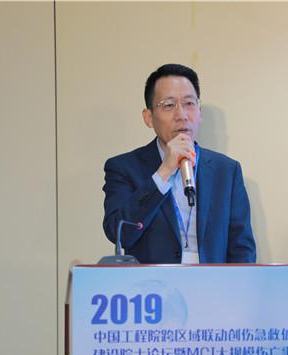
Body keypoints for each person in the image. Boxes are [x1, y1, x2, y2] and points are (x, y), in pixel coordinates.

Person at [102, 63, 256, 264]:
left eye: (189, 103)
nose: (181, 115)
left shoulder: (226, 170)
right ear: (148, 118)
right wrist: (163, 173)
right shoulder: (124, 168)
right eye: (169, 105)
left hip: (213, 281)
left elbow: (242, 249)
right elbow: (119, 233)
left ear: (199, 112)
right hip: (153, 283)